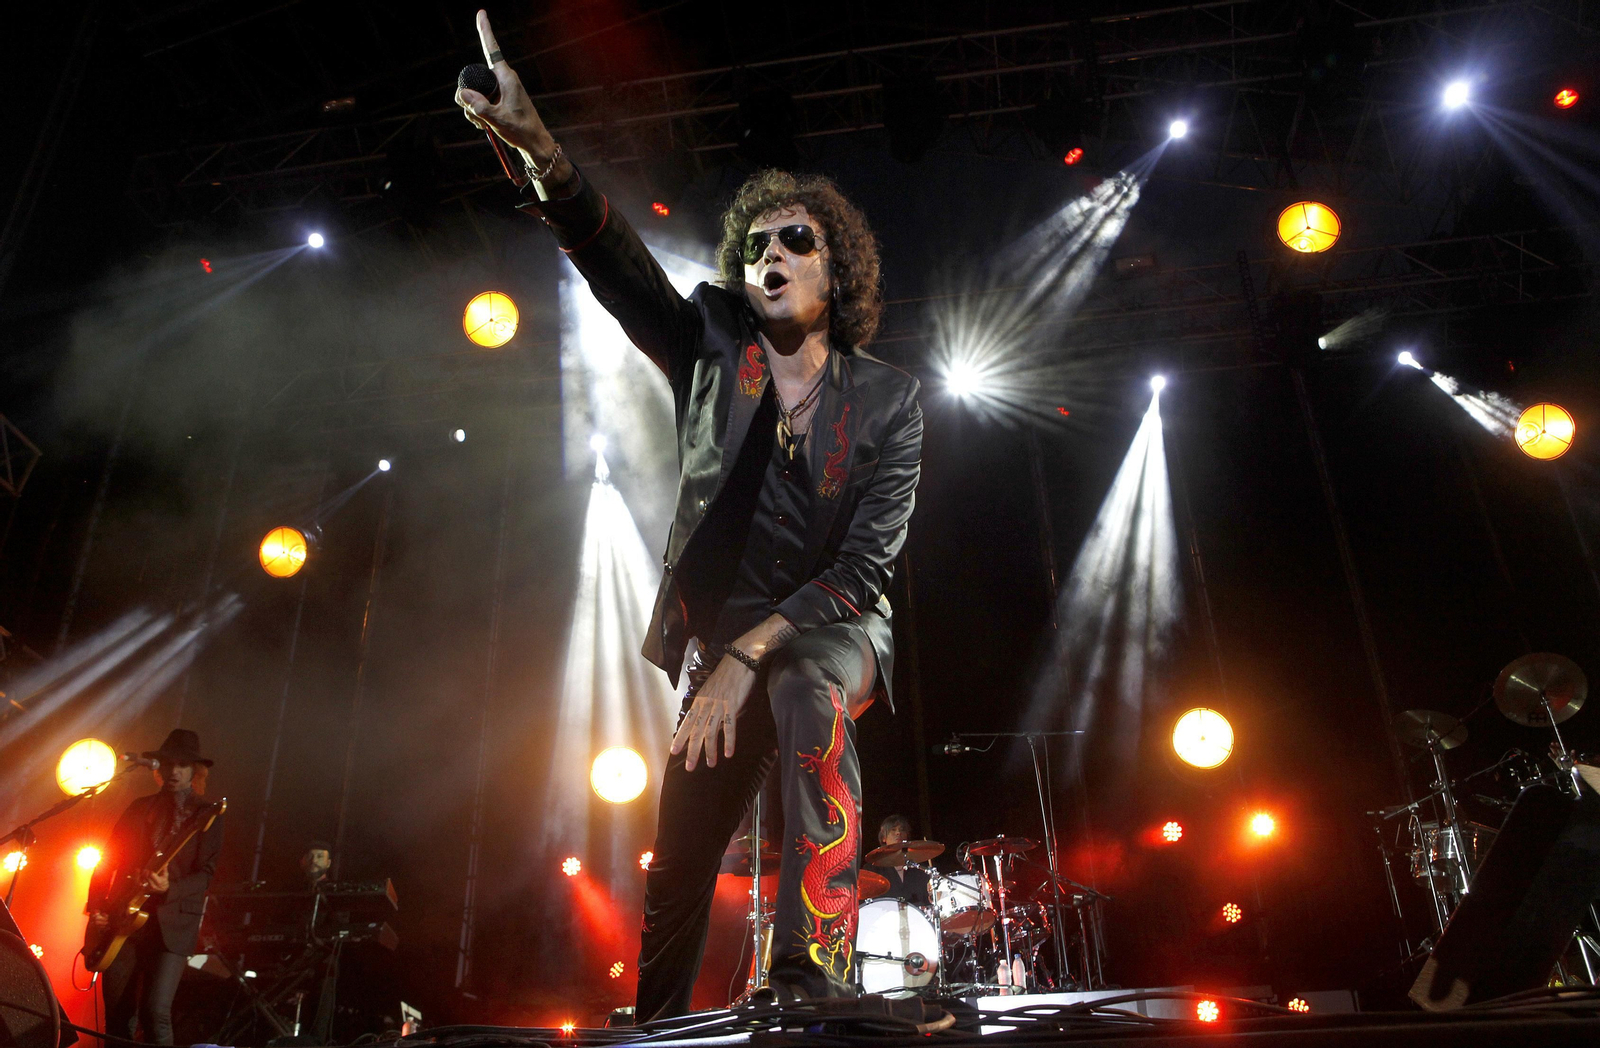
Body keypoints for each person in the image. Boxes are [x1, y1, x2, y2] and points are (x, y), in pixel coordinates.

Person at [455, 10, 922, 1017]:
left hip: (828, 626)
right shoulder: (713, 344)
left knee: (804, 695)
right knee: (680, 860)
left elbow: (866, 564)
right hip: (723, 643)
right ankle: (659, 1019)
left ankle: (811, 974)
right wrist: (543, 156)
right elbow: (618, 268)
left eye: (796, 241)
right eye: (756, 246)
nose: (772, 255)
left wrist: (746, 657)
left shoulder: (887, 399)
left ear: (835, 267)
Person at [88, 730, 224, 1045]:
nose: (174, 771)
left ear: (195, 771)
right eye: (168, 764)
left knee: (155, 1012)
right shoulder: (138, 808)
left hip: (172, 925)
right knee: (118, 1017)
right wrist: (96, 907)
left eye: (182, 765)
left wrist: (169, 886)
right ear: (158, 768)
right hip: (123, 919)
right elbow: (106, 859)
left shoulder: (208, 814)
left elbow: (206, 875)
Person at [874, 815, 931, 907]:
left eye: (902, 830)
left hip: (917, 919)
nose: (898, 833)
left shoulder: (919, 868)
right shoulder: (873, 869)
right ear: (883, 837)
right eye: (893, 830)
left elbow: (929, 903)